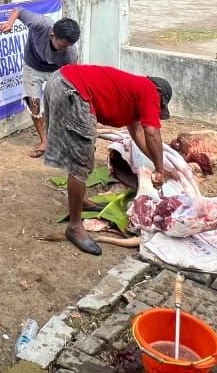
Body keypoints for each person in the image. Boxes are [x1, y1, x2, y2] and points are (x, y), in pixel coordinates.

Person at [42, 64, 172, 255]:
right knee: (82, 162)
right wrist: (160, 169)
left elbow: (138, 134)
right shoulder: (150, 91)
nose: (156, 111)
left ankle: (82, 201)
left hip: (61, 81)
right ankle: (75, 227)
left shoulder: (134, 91)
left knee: (79, 149)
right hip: (71, 90)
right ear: (159, 94)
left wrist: (159, 165)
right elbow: (152, 133)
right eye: (159, 108)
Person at [0, 7, 81, 157]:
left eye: (68, 46)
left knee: (66, 101)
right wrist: (10, 24)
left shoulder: (70, 52)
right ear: (52, 34)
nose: (64, 49)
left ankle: (64, 137)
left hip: (57, 70)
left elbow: (74, 74)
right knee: (33, 103)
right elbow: (19, 11)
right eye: (62, 45)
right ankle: (44, 140)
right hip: (33, 67)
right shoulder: (41, 24)